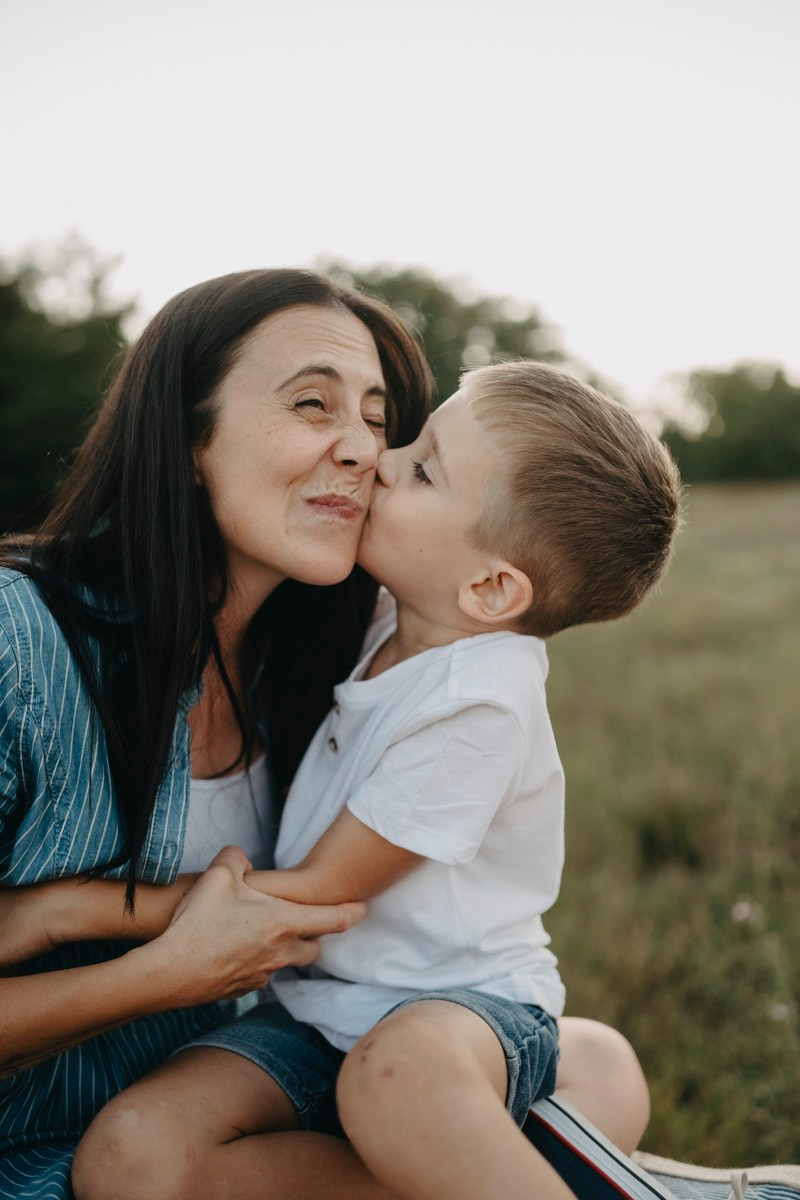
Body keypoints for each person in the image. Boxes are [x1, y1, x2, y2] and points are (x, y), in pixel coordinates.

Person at [0, 272, 651, 1200]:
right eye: (313, 403)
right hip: (62, 1144)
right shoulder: (16, 646)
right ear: (188, 438)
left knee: (555, 1065)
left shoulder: (323, 643)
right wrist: (146, 966)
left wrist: (70, 911)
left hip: (304, 1047)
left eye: (388, 424)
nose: (369, 454)